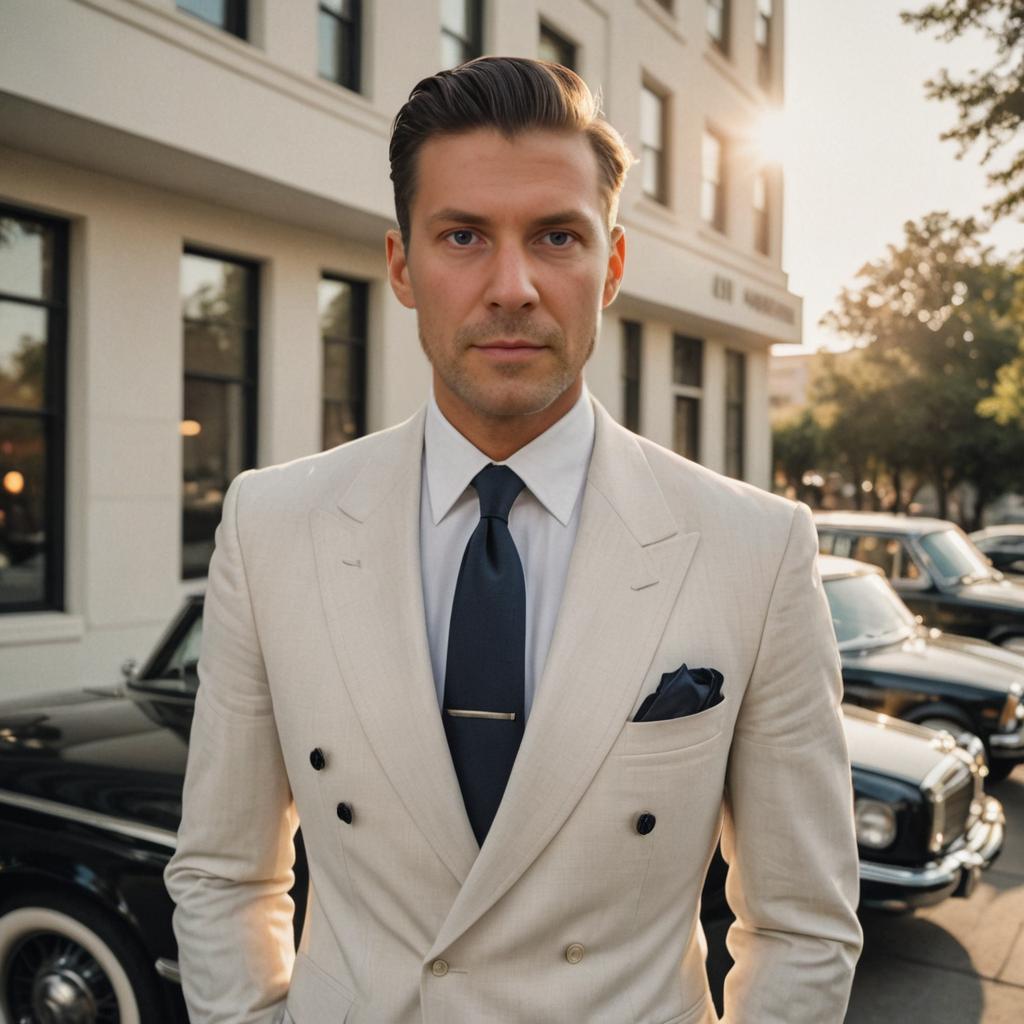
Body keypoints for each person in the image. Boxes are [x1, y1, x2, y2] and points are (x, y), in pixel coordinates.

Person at [165, 56, 862, 1024]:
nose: (513, 285)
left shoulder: (756, 548)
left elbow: (801, 924)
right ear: (402, 266)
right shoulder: (272, 522)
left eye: (557, 236)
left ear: (610, 265)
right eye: (462, 235)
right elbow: (223, 868)